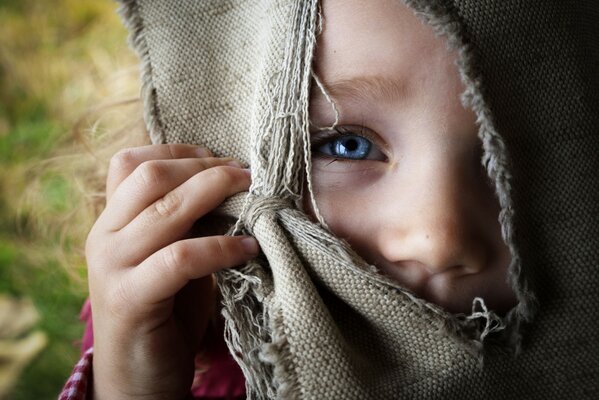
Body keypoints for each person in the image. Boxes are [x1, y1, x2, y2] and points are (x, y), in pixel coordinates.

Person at [60, 0, 519, 398]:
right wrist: (130, 390)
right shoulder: (174, 327)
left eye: (509, 157)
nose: (439, 240)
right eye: (346, 145)